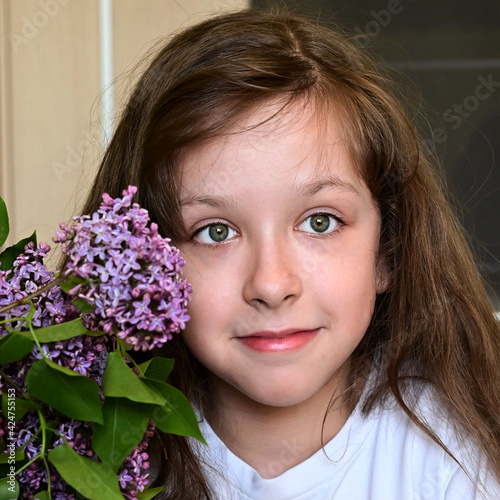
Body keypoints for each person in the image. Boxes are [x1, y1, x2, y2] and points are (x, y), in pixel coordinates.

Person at [79, 8, 500, 500]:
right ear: (141, 258)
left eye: (319, 222)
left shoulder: (454, 463)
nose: (272, 285)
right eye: (215, 232)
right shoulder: (93, 456)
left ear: (388, 250)